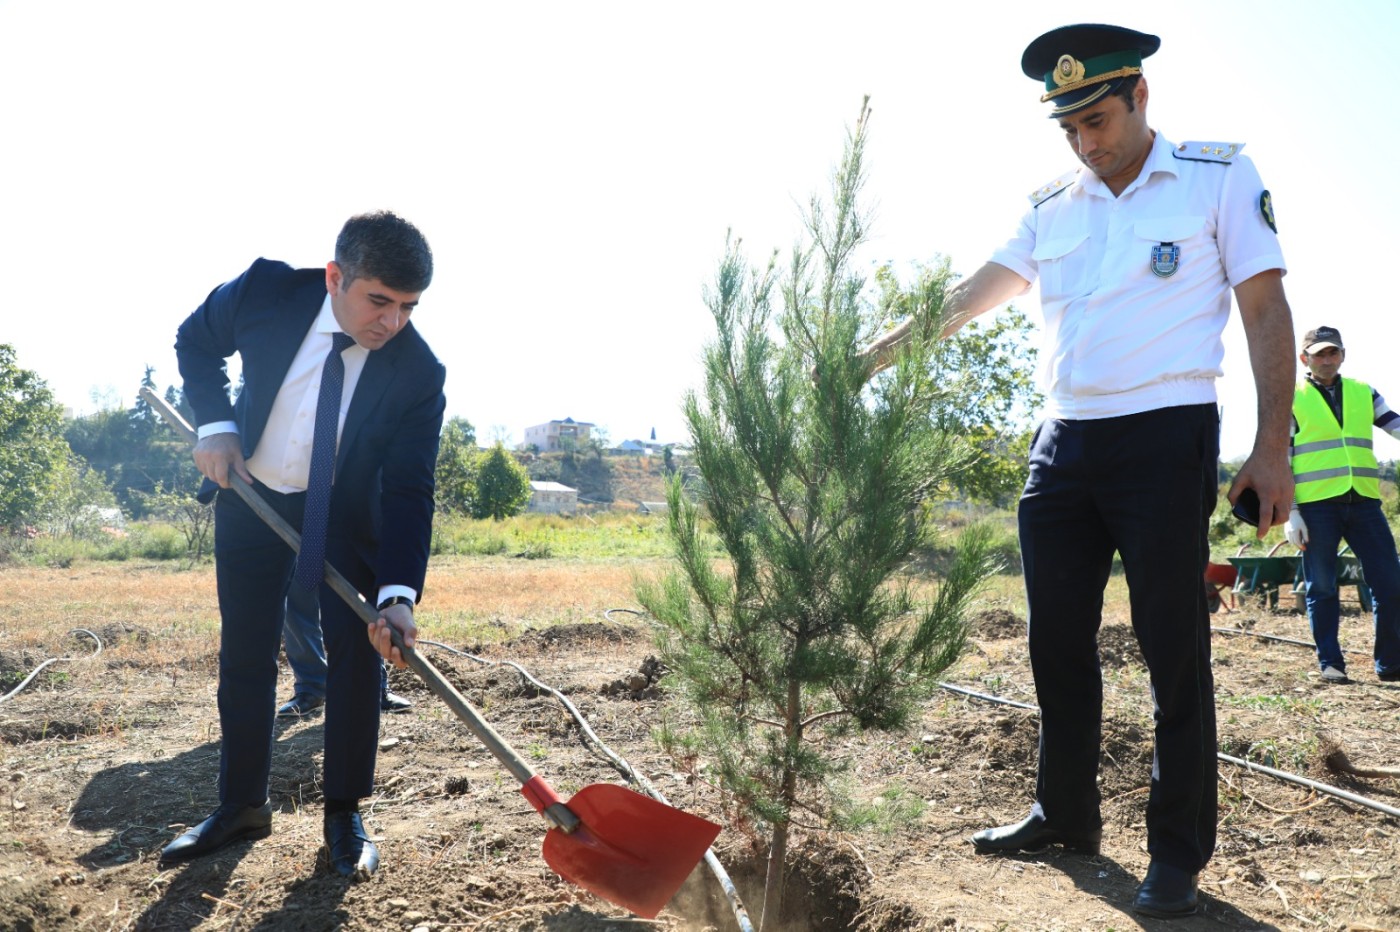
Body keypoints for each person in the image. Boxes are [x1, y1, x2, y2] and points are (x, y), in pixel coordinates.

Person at [864, 24, 1294, 918]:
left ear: (1140, 99)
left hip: (1166, 437)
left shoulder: (1218, 177)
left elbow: (1263, 309)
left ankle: (1176, 853)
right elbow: (973, 293)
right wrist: (879, 350)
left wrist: (1271, 447)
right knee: (1055, 642)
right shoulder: (1053, 205)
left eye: (1096, 120)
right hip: (1063, 445)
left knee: (1170, 646)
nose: (1085, 143)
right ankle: (1065, 814)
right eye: (1069, 129)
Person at [160, 211, 445, 880]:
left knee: (355, 657)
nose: (393, 322)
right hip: (252, 492)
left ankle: (344, 814)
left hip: (345, 511)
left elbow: (409, 489)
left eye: (409, 307)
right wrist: (216, 423)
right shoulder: (265, 293)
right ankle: (240, 807)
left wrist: (399, 597)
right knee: (248, 652)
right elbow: (194, 342)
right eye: (379, 300)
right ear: (334, 277)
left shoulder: (417, 372)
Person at [1284, 326, 1400, 685]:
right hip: (1316, 507)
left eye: (1332, 352)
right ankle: (1331, 663)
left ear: (1342, 355)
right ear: (1305, 358)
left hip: (1364, 502)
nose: (1326, 359)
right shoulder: (1290, 397)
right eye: (1318, 353)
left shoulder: (1364, 392)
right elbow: (1281, 458)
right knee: (1321, 586)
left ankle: (1391, 665)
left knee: (1391, 584)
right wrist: (1291, 511)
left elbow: (1393, 424)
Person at [277, 580, 413, 717]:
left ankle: (373, 687)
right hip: (308, 558)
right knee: (299, 597)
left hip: (341, 561)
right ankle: (311, 688)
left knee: (354, 592)